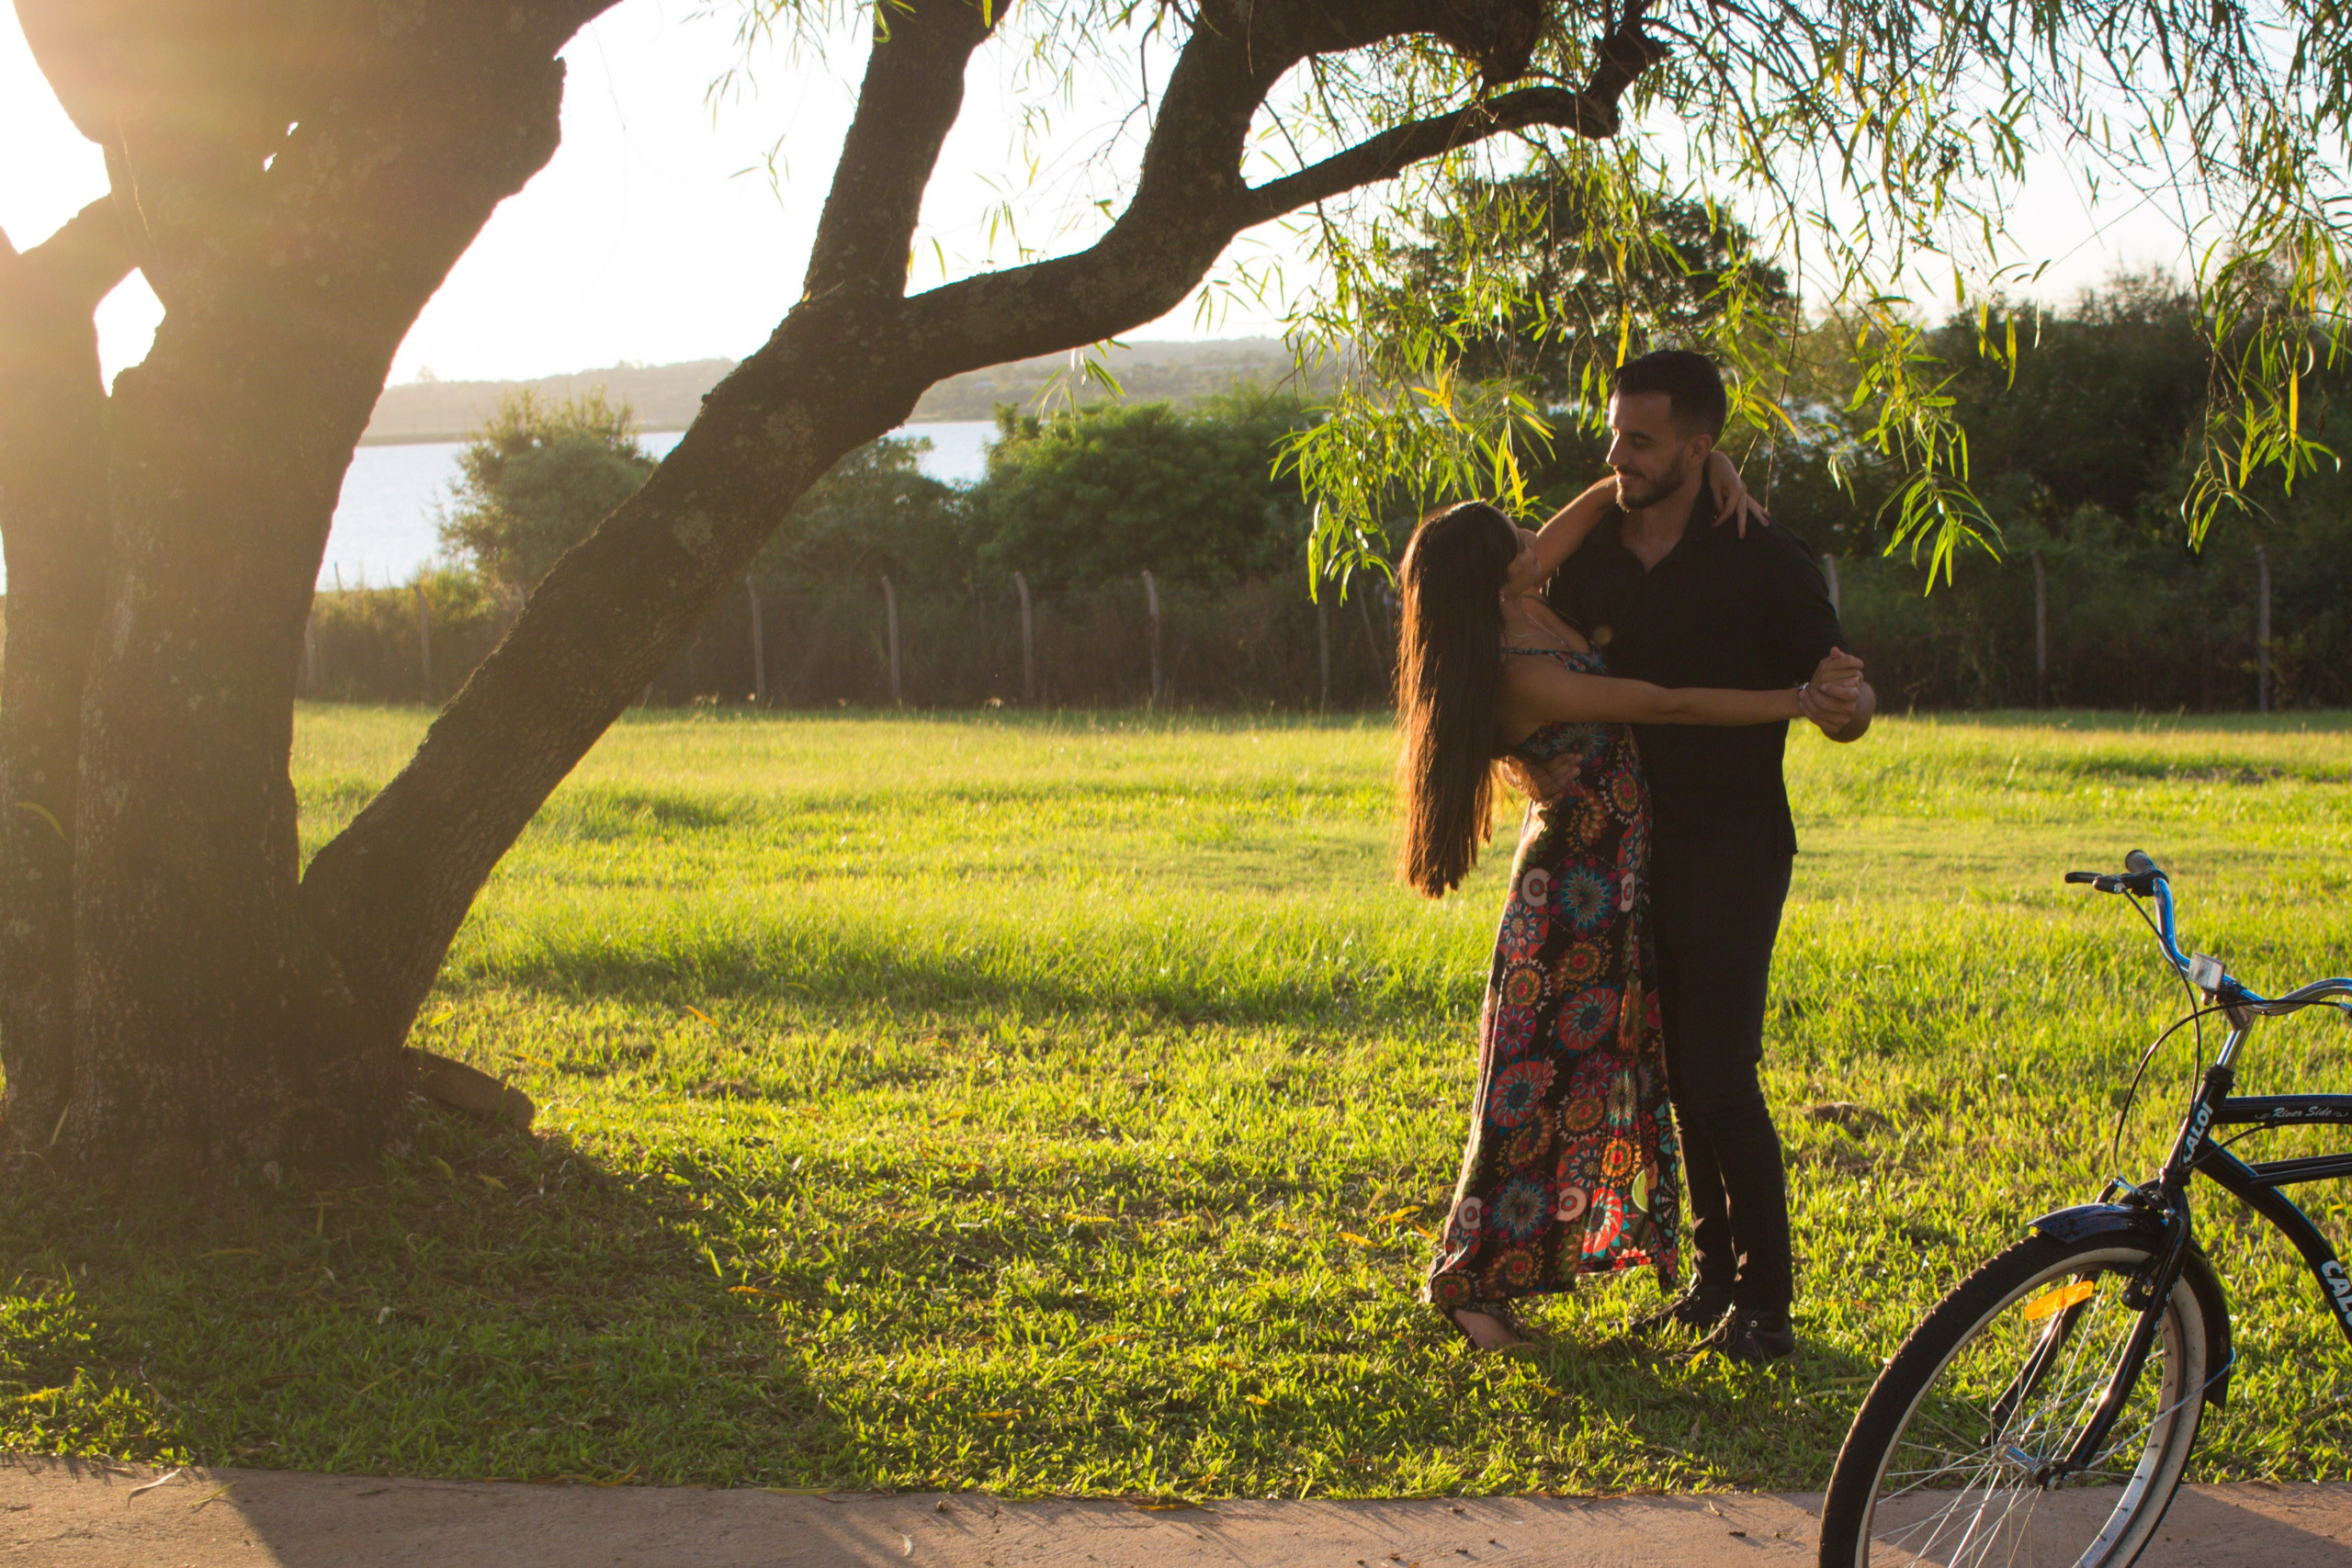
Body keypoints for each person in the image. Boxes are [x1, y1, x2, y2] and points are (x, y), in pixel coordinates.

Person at [1396, 469, 1862, 1354]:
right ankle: (1467, 1284)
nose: (1535, 541)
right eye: (1516, 543)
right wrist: (1796, 701)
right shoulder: (1517, 666)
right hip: (1570, 896)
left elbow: (1601, 502)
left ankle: (1661, 1274)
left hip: (1614, 884)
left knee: (1593, 1078)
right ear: (1492, 577)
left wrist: (1696, 465)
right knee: (1528, 1092)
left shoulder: (1525, 604)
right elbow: (1663, 703)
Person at [1527, 349, 1875, 1366]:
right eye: (1613, 436)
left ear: (1699, 448)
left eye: (1640, 441)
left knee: (1720, 1076)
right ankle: (1715, 1282)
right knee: (1677, 1076)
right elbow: (1512, 635)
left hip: (1730, 848)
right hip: (1610, 855)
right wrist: (1523, 759)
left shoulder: (1762, 555)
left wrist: (1848, 706)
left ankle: (1767, 1305)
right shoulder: (1591, 552)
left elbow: (1842, 690)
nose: (1617, 456)